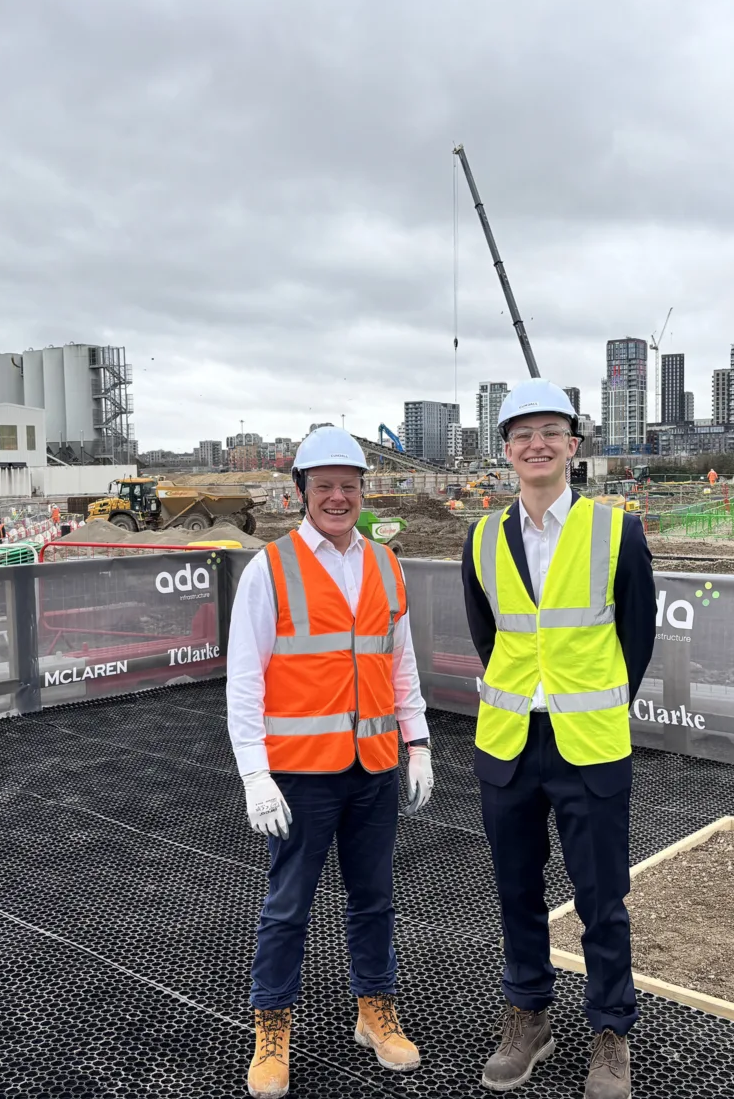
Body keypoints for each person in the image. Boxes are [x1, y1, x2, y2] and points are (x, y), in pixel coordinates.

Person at [227, 425, 435, 1099]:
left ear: (363, 491)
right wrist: (255, 773)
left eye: (349, 485)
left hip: (373, 766)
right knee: (288, 905)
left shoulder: (385, 563)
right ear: (302, 494)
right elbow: (245, 680)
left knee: (373, 899)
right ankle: (272, 1026)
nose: (338, 497)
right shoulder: (270, 568)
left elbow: (399, 662)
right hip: (301, 773)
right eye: (325, 486)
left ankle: (374, 1011)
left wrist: (420, 740)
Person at [461, 379, 655, 1098]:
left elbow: (637, 637)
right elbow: (490, 637)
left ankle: (610, 1032)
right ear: (506, 450)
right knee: (517, 890)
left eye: (551, 432)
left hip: (590, 744)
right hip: (509, 743)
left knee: (602, 895)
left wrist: (593, 704)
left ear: (573, 446)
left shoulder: (616, 529)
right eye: (521, 434)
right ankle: (529, 1018)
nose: (535, 444)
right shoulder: (482, 536)